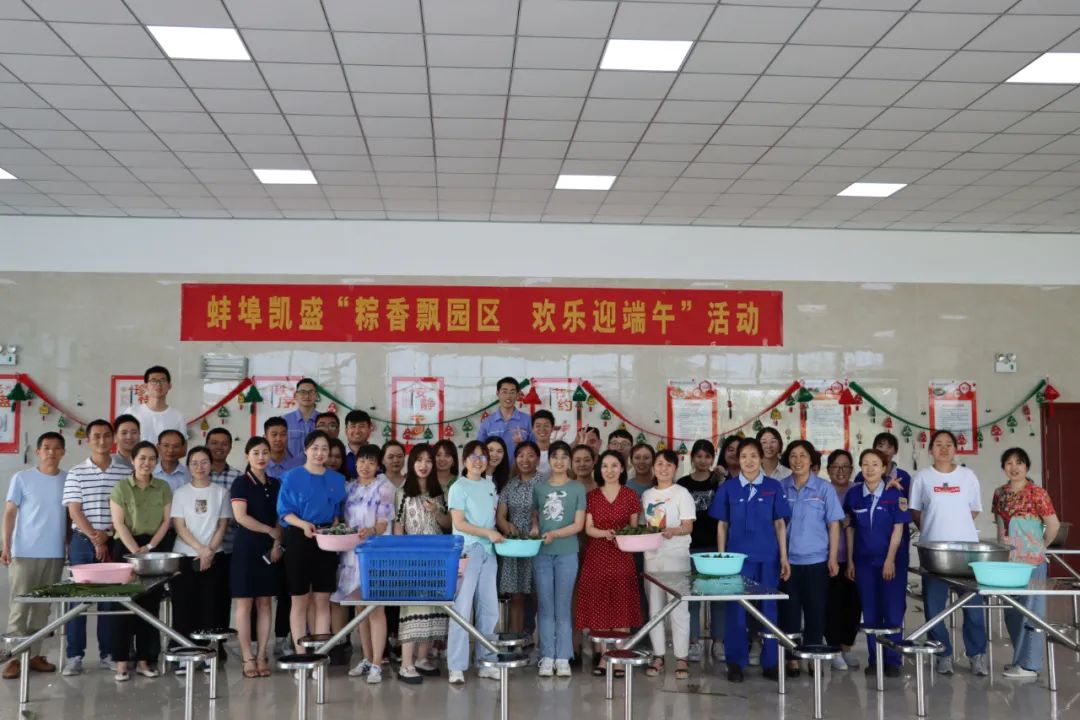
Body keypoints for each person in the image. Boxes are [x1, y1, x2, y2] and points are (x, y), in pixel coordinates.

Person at [709, 437, 792, 683]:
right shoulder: (729, 488)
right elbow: (722, 525)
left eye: (754, 456)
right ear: (738, 460)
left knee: (769, 609)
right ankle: (735, 662)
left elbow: (780, 523)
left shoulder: (773, 487)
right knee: (736, 609)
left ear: (761, 458)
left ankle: (771, 662)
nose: (749, 461)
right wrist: (723, 558)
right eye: (743, 456)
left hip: (768, 557)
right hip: (737, 560)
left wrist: (784, 557)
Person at [910, 429, 987, 676]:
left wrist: (957, 528)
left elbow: (974, 509)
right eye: (938, 444)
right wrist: (933, 530)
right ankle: (941, 653)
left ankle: (977, 655)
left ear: (956, 449)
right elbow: (915, 511)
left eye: (948, 444)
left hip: (966, 552)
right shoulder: (922, 477)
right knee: (934, 607)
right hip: (933, 552)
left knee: (973, 606)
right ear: (930, 449)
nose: (943, 448)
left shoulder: (968, 476)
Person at [62, 419, 130, 675]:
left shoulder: (124, 472)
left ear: (113, 439)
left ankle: (108, 654)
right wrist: (94, 536)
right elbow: (74, 510)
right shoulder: (76, 472)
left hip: (113, 540)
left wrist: (107, 534)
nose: (102, 441)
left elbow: (127, 509)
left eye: (106, 436)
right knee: (78, 600)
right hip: (82, 542)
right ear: (88, 440)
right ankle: (74, 656)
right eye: (96, 436)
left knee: (110, 601)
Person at [2, 432, 67, 679]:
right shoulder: (22, 478)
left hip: (55, 554)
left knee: (43, 609)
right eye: (46, 447)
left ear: (63, 452)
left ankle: (35, 656)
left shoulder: (68, 479)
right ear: (38, 451)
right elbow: (10, 512)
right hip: (24, 553)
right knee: (20, 606)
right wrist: (6, 546)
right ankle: (13, 657)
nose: (51, 452)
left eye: (56, 448)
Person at [992, 446, 1060, 679]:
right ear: (1003, 467)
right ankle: (1020, 660)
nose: (1014, 467)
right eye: (1009, 463)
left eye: (1019, 462)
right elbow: (1000, 525)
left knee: (1032, 612)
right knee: (1012, 612)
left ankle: (1030, 666)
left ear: (1027, 466)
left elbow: (1053, 525)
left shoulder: (1037, 493)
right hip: (1009, 562)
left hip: (1032, 562)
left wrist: (1041, 546)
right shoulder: (1000, 494)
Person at [278, 431, 347, 654]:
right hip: (299, 537)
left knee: (322, 598)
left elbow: (337, 512)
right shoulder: (292, 476)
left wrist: (334, 523)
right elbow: (284, 512)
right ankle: (300, 655)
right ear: (305, 450)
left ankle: (319, 654)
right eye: (315, 448)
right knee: (299, 599)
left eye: (324, 449)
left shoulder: (337, 479)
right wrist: (303, 524)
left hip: (326, 540)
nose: (320, 453)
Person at [109, 441, 173, 681]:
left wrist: (150, 547)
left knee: (150, 606)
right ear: (133, 460)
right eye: (142, 458)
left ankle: (146, 659)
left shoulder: (163, 487)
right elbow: (118, 523)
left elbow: (166, 521)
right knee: (123, 606)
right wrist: (136, 551)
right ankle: (121, 661)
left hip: (153, 548)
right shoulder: (121, 487)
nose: (147, 463)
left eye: (151, 459)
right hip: (125, 547)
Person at [779, 440, 842, 677]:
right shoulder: (781, 487)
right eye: (793, 456)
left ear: (812, 460)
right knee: (790, 611)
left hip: (817, 560)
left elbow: (834, 524)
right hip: (789, 561)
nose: (798, 461)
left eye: (803, 456)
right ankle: (793, 658)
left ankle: (814, 655)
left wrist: (832, 557)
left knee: (815, 610)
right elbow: (777, 524)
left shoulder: (824, 489)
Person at [575, 450, 641, 675]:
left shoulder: (630, 495)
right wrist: (605, 533)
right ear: (599, 469)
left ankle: (620, 657)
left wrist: (622, 535)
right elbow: (588, 528)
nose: (610, 470)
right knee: (600, 606)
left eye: (614, 465)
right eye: (605, 466)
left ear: (622, 468)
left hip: (623, 556)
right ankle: (604, 657)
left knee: (622, 605)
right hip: (597, 556)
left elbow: (634, 528)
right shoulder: (592, 496)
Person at [845, 448, 908, 678]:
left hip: (891, 561)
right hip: (864, 562)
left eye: (875, 464)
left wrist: (890, 560)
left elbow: (898, 530)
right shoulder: (854, 495)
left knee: (892, 610)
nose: (870, 468)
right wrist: (850, 561)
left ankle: (893, 660)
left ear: (884, 468)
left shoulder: (896, 494)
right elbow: (850, 529)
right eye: (865, 464)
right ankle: (874, 659)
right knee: (870, 612)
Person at [334, 443, 395, 683]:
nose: (365, 466)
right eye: (361, 461)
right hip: (351, 555)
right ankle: (367, 658)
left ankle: (378, 663)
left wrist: (371, 530)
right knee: (360, 609)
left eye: (371, 462)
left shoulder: (384, 487)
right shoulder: (349, 487)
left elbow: (383, 521)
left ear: (378, 465)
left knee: (375, 608)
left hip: (375, 554)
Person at [447, 440, 504, 685]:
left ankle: (486, 661)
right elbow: (459, 523)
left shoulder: (489, 485)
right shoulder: (458, 486)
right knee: (462, 608)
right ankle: (456, 666)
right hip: (467, 551)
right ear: (465, 460)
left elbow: (492, 519)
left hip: (489, 552)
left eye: (482, 456)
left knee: (490, 609)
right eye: (473, 456)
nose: (478, 461)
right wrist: (487, 533)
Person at [170, 445, 231, 671]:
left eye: (204, 462)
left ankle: (208, 654)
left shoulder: (221, 492)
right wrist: (200, 550)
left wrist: (209, 551)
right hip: (185, 557)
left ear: (210, 465)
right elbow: (180, 526)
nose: (200, 467)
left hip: (215, 556)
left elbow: (222, 525)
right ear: (188, 466)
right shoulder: (180, 493)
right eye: (194, 463)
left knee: (211, 605)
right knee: (184, 607)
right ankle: (184, 654)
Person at [394, 444, 451, 684]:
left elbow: (448, 525)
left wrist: (437, 511)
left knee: (433, 607)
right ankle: (406, 664)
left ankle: (422, 658)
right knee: (413, 608)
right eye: (419, 460)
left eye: (428, 460)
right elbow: (398, 526)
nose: (424, 465)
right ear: (412, 463)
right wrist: (402, 556)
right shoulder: (402, 492)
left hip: (437, 558)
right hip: (412, 559)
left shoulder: (441, 493)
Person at [530, 441, 586, 677]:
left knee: (562, 606)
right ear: (549, 460)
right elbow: (535, 514)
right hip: (541, 554)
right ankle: (546, 656)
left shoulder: (577, 488)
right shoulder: (539, 488)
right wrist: (535, 526)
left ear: (569, 461)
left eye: (564, 456)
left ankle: (563, 657)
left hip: (567, 552)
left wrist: (555, 534)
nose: (560, 461)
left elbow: (579, 524)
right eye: (555, 456)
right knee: (545, 606)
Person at [231, 437, 283, 679]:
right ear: (247, 456)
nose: (261, 457)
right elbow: (241, 517)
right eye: (256, 452)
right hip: (246, 548)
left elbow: (281, 517)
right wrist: (269, 531)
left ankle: (262, 655)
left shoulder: (276, 483)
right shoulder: (240, 483)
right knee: (245, 604)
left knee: (265, 603)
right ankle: (247, 657)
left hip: (269, 549)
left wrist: (277, 543)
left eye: (265, 452)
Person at [641, 449, 696, 680]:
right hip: (653, 558)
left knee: (679, 608)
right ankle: (659, 655)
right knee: (655, 609)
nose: (663, 468)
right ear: (654, 468)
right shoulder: (646, 495)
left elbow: (688, 526)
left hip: (676, 557)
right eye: (660, 464)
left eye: (669, 465)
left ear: (675, 469)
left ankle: (682, 657)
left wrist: (674, 531)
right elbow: (645, 526)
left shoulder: (682, 493)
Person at [677, 439, 724, 664]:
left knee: (718, 598)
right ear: (692, 458)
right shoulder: (683, 484)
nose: (703, 461)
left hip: (716, 548)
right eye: (699, 456)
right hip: (690, 547)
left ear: (712, 459)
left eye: (707, 456)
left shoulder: (719, 482)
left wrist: (723, 479)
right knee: (692, 598)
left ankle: (718, 642)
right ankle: (693, 641)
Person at [496, 441, 541, 633]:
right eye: (521, 455)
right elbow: (500, 516)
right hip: (513, 547)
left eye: (530, 455)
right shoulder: (510, 485)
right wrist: (508, 528)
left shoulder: (544, 483)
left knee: (539, 595)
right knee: (516, 596)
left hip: (537, 545)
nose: (525, 460)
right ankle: (517, 640)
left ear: (538, 458)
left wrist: (536, 526)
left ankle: (540, 641)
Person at [824, 449, 861, 670]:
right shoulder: (823, 490)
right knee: (832, 604)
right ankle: (833, 648)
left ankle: (847, 648)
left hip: (855, 559)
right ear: (828, 470)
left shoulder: (859, 490)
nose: (840, 471)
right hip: (830, 558)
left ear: (852, 469)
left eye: (845, 466)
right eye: (836, 466)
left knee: (853, 605)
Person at [207, 427, 242, 631]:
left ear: (230, 447)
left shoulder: (238, 477)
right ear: (206, 445)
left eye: (224, 443)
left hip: (229, 546)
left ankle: (220, 638)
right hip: (201, 545)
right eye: (214, 443)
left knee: (223, 595)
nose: (219, 447)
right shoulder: (198, 473)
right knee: (204, 595)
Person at [125, 366, 185, 444]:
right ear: (145, 386)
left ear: (169, 386)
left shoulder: (177, 416)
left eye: (162, 380)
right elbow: (122, 441)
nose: (158, 384)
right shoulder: (132, 412)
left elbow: (183, 446)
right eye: (153, 381)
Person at [477, 377, 534, 457]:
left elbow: (535, 450)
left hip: (520, 465)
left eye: (512, 392)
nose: (508, 396)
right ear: (498, 393)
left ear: (517, 395)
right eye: (504, 392)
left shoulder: (528, 420)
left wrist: (523, 445)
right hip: (495, 465)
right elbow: (480, 450)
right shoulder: (487, 422)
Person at [283, 379, 320, 459]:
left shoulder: (323, 420)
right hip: (292, 466)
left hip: (318, 465)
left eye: (311, 392)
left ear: (316, 395)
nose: (307, 396)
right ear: (296, 395)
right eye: (303, 392)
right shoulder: (284, 420)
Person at [344, 410, 374, 480]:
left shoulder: (378, 455)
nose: (357, 431)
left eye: (361, 426)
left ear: (369, 430)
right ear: (346, 431)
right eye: (353, 426)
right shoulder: (338, 455)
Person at [532, 410, 556, 476]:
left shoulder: (557, 452)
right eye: (538, 426)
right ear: (532, 429)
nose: (542, 429)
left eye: (546, 425)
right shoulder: (527, 452)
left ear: (552, 428)